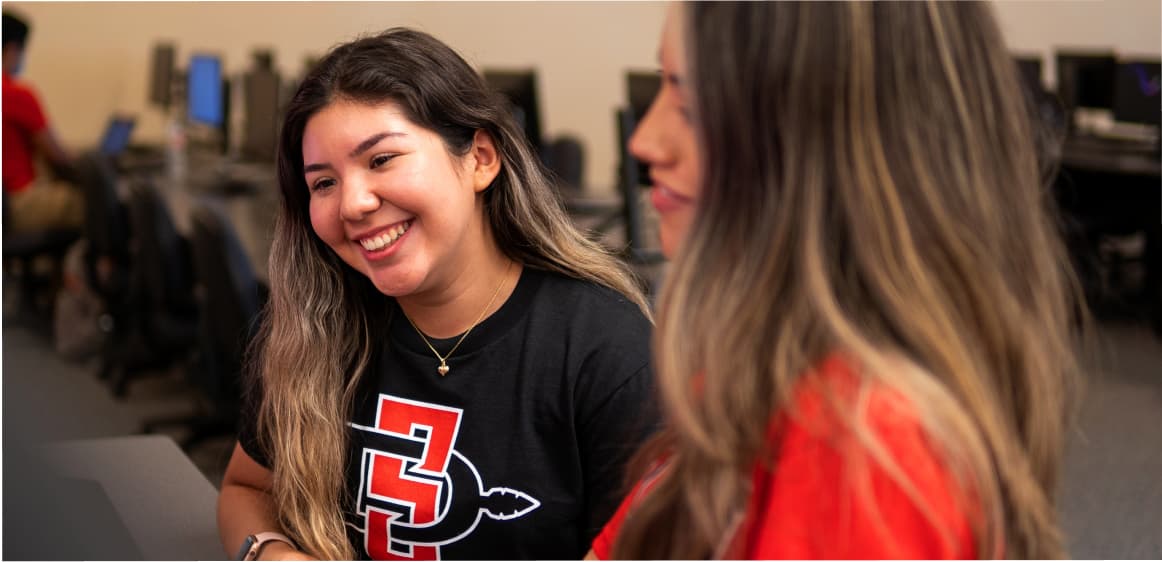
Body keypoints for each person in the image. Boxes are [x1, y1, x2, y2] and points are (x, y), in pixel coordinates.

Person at [589, 2, 1084, 559]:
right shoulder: (761, 362)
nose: (645, 141)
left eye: (692, 106)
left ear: (822, 145)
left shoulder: (858, 438)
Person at [217, 28, 656, 560]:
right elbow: (246, 488)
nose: (353, 203)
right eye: (323, 183)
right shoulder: (312, 330)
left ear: (481, 159)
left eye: (381, 160)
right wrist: (273, 553)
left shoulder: (607, 350)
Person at [2, 10, 82, 233]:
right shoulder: (16, 94)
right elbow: (58, 155)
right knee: (99, 206)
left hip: (7, 203)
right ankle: (91, 266)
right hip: (19, 203)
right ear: (13, 49)